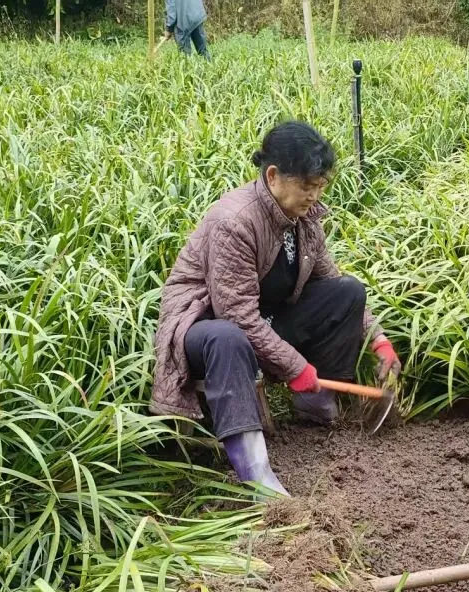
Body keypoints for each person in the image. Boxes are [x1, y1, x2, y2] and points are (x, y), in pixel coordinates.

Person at [150, 121, 401, 496]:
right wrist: (295, 366)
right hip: (205, 325)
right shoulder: (234, 222)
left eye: (320, 186)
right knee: (228, 337)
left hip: (261, 319)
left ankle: (315, 404)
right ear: (273, 175)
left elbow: (328, 279)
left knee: (347, 291)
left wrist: (379, 341)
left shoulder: (305, 219)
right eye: (306, 186)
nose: (314, 196)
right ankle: (255, 470)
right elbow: (236, 315)